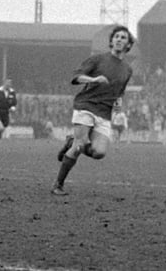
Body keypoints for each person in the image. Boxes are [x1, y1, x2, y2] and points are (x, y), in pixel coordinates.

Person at [52, 25, 134, 196]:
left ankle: (70, 142)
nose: (119, 39)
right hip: (86, 105)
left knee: (99, 153)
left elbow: (119, 93)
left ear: (128, 44)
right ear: (111, 41)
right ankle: (58, 185)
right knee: (80, 145)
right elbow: (76, 77)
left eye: (123, 37)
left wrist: (118, 111)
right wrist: (94, 79)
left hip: (104, 113)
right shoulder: (97, 60)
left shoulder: (127, 70)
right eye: (116, 36)